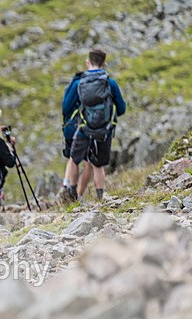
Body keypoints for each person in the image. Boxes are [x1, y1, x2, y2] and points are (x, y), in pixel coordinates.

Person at [62, 47, 126, 202]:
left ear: (87, 62)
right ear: (104, 63)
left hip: (84, 127)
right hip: (104, 130)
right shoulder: (110, 82)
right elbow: (122, 108)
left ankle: (71, 192)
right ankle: (100, 198)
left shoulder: (79, 82)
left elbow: (66, 107)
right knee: (98, 165)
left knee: (74, 159)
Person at [61, 71, 92, 202]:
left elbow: (65, 108)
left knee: (72, 158)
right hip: (79, 127)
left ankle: (67, 186)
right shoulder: (80, 85)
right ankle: (77, 194)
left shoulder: (72, 84)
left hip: (69, 127)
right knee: (87, 162)